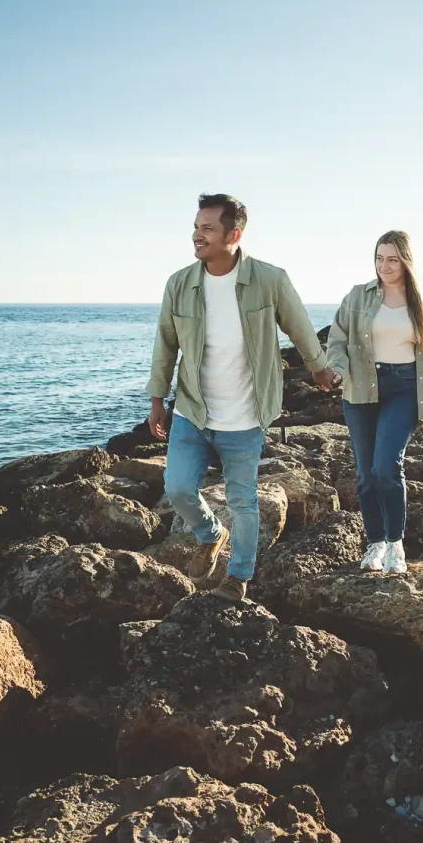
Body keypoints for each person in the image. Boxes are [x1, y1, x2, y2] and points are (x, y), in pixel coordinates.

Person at [147, 193, 336, 602]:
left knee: (243, 500)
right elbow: (166, 344)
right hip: (194, 410)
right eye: (196, 226)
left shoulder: (270, 279)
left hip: (247, 414)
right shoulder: (180, 284)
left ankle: (238, 578)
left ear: (234, 234)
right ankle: (210, 534)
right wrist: (158, 399)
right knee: (178, 487)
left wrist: (319, 366)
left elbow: (300, 327)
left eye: (207, 228)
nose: (197, 235)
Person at [327, 231, 423, 574]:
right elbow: (337, 339)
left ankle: (396, 544)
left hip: (406, 387)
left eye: (392, 259)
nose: (384, 265)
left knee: (386, 467)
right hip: (362, 387)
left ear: (406, 261)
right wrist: (336, 369)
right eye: (379, 258)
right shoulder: (357, 297)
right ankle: (374, 545)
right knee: (366, 475)